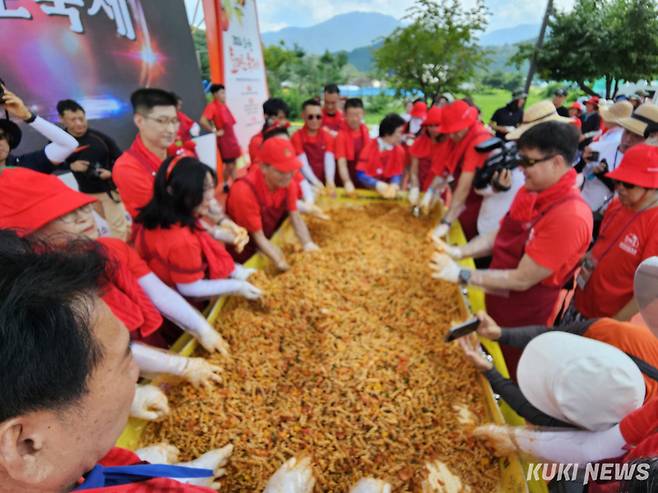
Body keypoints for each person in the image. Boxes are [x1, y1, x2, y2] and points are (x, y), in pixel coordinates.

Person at [0, 230, 231, 491]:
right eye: (125, 360)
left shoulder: (63, 463)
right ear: (26, 445)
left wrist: (171, 473)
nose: (136, 374)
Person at [0, 168, 230, 386]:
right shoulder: (40, 296)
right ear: (30, 235)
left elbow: (157, 292)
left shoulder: (112, 249)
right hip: (102, 378)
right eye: (66, 215)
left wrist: (202, 329)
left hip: (147, 348)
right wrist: (181, 367)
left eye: (82, 208)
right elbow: (102, 349)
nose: (84, 218)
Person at [431, 121, 593, 378]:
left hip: (525, 312)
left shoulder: (569, 216)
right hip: (497, 293)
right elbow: (501, 234)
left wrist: (461, 274)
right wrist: (460, 252)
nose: (521, 168)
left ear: (557, 163)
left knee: (511, 370)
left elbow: (522, 279)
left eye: (528, 162)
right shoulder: (531, 191)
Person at [460, 308, 658, 428]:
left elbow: (544, 418)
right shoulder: (609, 330)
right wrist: (500, 333)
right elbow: (550, 333)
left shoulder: (616, 414)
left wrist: (491, 373)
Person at [134, 155, 262, 301]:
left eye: (210, 187)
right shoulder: (181, 241)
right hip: (170, 295)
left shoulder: (167, 211)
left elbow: (202, 228)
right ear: (178, 192)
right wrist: (238, 287)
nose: (210, 196)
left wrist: (236, 270)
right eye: (202, 190)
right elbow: (190, 287)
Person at [564, 145, 658, 323]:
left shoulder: (654, 225)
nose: (620, 188)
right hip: (579, 302)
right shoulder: (616, 205)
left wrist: (610, 326)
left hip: (605, 319)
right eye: (618, 181)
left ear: (653, 188)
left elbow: (648, 292)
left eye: (629, 184)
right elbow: (600, 248)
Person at [226, 137, 319, 270]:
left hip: (267, 239)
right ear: (264, 167)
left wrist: (308, 244)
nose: (287, 176)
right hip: (244, 250)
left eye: (291, 170)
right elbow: (257, 237)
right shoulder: (244, 191)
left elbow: (296, 217)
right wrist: (282, 263)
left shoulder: (288, 183)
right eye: (281, 172)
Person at [57, 99, 130, 241]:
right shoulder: (58, 141)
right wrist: (70, 166)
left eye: (81, 118)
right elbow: (52, 163)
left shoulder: (99, 138)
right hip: (87, 193)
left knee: (118, 228)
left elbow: (122, 160)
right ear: (62, 119)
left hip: (109, 190)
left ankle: (124, 259)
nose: (79, 123)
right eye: (73, 120)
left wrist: (111, 173)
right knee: (117, 226)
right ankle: (136, 244)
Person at [430, 99, 493, 241]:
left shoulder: (478, 139)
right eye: (449, 132)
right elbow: (444, 168)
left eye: (455, 132)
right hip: (465, 198)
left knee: (468, 230)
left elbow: (464, 186)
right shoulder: (457, 136)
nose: (452, 136)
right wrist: (431, 192)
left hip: (481, 198)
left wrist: (446, 222)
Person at [113, 88, 178, 219]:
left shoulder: (180, 154)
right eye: (162, 121)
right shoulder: (127, 168)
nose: (171, 129)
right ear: (139, 121)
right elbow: (159, 216)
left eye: (174, 121)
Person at [0, 85, 77, 172]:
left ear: (9, 139)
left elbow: (68, 145)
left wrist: (27, 116)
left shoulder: (24, 166)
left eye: (1, 136)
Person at [580, 100, 634, 213]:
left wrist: (603, 176)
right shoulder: (605, 140)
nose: (628, 139)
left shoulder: (611, 140)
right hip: (591, 203)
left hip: (596, 205)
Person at [200, 83, 242, 192]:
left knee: (233, 163)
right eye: (221, 93)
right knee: (229, 165)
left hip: (232, 138)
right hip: (224, 141)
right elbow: (203, 120)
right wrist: (214, 131)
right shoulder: (212, 106)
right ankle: (236, 185)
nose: (224, 95)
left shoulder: (224, 105)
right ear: (215, 94)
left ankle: (225, 184)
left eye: (224, 92)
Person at [355, 113, 407, 198]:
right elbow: (360, 174)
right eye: (399, 132)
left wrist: (394, 184)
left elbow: (397, 172)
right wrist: (376, 184)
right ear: (387, 133)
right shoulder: (369, 148)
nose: (401, 136)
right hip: (368, 193)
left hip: (388, 194)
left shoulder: (399, 150)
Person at [291, 99, 336, 192]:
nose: (315, 120)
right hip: (305, 183)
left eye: (318, 117)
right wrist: (316, 182)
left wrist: (330, 181)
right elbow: (302, 164)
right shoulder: (296, 137)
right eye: (310, 117)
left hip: (324, 180)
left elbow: (329, 159)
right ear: (303, 116)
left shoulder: (327, 136)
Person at [407, 106, 448, 204]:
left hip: (438, 190)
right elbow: (414, 171)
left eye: (437, 125)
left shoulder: (449, 145)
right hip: (419, 186)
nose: (433, 129)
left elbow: (446, 173)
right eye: (430, 125)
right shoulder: (419, 142)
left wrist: (432, 192)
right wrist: (415, 188)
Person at [334, 97, 370, 194]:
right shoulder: (341, 136)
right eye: (351, 115)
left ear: (363, 114)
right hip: (346, 176)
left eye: (358, 115)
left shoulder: (365, 130)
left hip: (363, 176)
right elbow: (341, 163)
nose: (354, 119)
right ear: (344, 115)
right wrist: (347, 182)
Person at [248, 97, 290, 166]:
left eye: (285, 118)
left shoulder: (284, 135)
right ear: (266, 117)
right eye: (280, 118)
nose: (283, 122)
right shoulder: (257, 141)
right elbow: (259, 169)